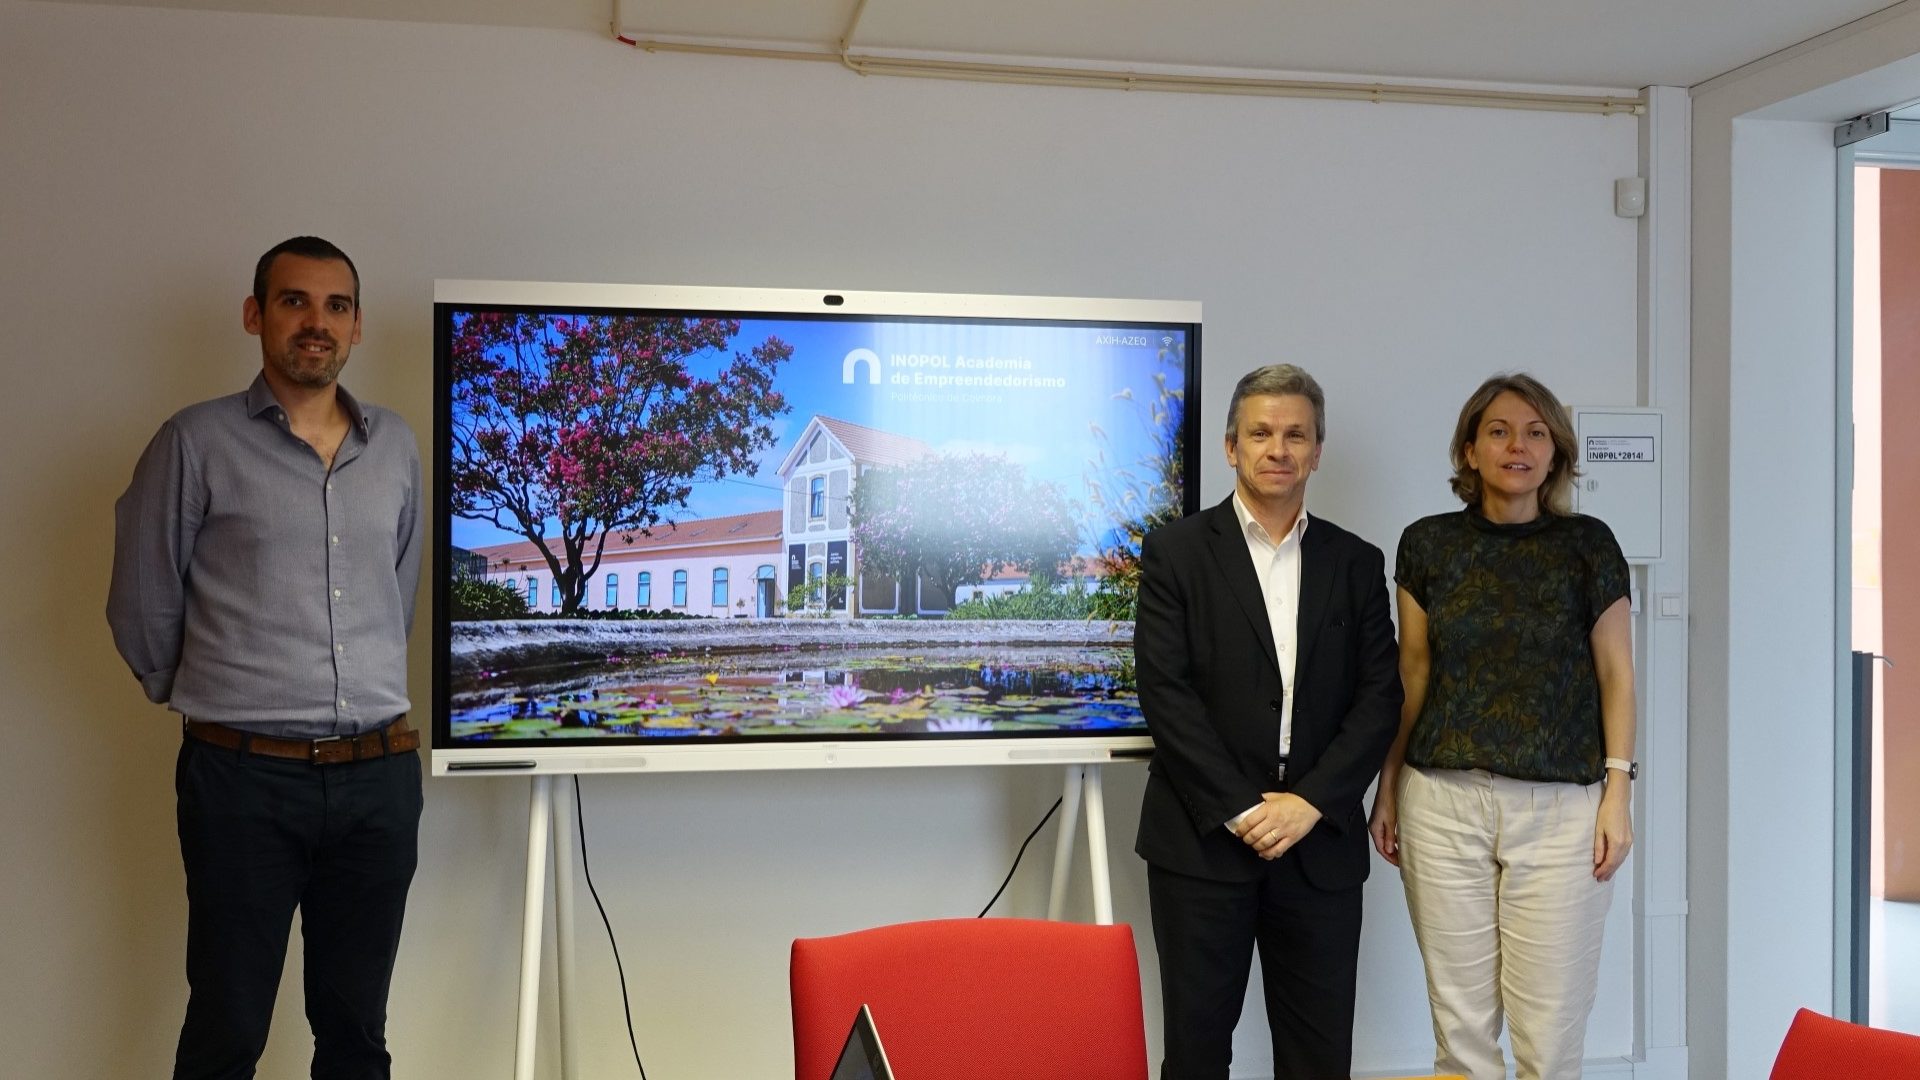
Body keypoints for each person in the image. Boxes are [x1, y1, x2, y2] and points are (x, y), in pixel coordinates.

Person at [108, 236, 424, 1080]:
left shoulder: (394, 447)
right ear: (256, 316)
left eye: (336, 305)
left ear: (357, 327)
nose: (315, 322)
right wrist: (217, 694)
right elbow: (142, 604)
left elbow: (399, 594)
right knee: (228, 1026)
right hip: (243, 782)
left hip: (378, 779)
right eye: (294, 301)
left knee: (357, 1033)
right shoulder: (194, 441)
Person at [1133, 363, 1402, 1080]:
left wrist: (1311, 803)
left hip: (1319, 848)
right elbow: (1166, 692)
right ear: (1231, 447)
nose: (1277, 448)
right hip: (1201, 844)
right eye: (1260, 433)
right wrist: (1243, 808)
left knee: (1318, 1059)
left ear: (1317, 451)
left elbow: (1381, 696)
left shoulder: (1355, 562)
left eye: (1295, 435)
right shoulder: (1176, 554)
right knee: (1196, 1054)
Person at [1369, 373, 1634, 1080]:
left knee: (1548, 1037)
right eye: (1498, 431)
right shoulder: (1428, 545)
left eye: (1536, 432)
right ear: (1469, 451)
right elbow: (1413, 673)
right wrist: (1388, 785)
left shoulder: (1589, 546)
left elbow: (1616, 675)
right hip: (1442, 802)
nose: (1517, 445)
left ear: (1557, 455)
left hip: (1561, 811)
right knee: (1461, 1036)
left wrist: (1618, 792)